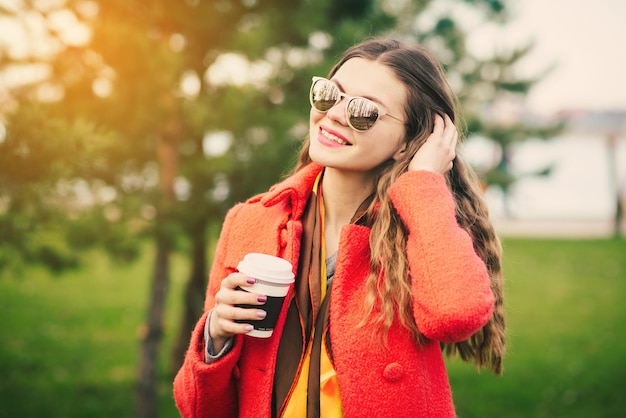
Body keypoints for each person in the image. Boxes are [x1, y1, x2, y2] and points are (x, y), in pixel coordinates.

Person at [173, 38, 505, 418]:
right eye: (330, 94)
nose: (334, 115)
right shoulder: (251, 221)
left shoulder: (425, 225)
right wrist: (216, 333)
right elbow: (199, 409)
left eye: (364, 111)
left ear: (406, 142)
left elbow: (455, 315)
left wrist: (425, 181)